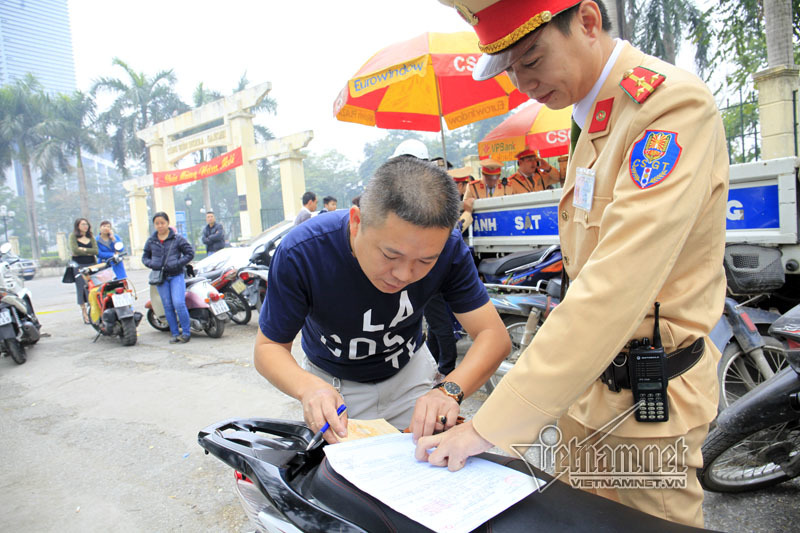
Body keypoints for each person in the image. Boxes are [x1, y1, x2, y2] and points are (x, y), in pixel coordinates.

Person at [420, 1, 728, 528]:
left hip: (648, 407)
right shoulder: (594, 119)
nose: (524, 83)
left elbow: (616, 283)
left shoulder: (667, 107)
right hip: (586, 396)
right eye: (512, 70)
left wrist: (491, 425)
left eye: (532, 59)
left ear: (587, 22)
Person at [254, 156, 510, 445]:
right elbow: (269, 347)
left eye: (426, 261)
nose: (404, 275)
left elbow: (494, 336)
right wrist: (308, 388)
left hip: (411, 376)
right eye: (390, 255)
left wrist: (449, 390)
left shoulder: (449, 248)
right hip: (333, 385)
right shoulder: (304, 252)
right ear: (355, 222)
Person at [142, 212, 195, 343]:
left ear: (167, 223)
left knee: (179, 303)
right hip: (161, 278)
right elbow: (145, 257)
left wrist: (178, 263)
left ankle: (186, 332)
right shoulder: (151, 241)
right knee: (167, 305)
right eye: (157, 223)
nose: (160, 226)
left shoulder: (177, 238)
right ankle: (175, 333)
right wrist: (152, 264)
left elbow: (190, 253)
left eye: (162, 223)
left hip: (176, 275)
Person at [69, 218, 98, 324]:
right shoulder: (73, 236)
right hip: (79, 266)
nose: (85, 226)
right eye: (83, 224)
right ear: (78, 226)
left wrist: (83, 249)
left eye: (87, 224)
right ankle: (84, 313)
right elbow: (74, 250)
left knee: (93, 287)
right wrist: (87, 251)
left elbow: (95, 251)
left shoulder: (91, 237)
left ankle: (94, 311)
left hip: (91, 264)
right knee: (81, 288)